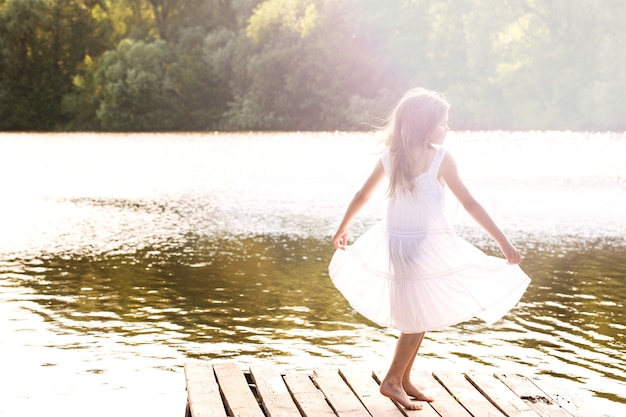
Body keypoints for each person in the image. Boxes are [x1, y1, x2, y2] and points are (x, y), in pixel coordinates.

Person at [328, 87, 531, 410]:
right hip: (421, 245)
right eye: (442, 122)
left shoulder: (392, 156)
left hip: (400, 243)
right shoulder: (440, 157)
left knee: (418, 312)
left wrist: (344, 225)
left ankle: (404, 379)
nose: (446, 128)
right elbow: (469, 202)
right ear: (425, 124)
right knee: (417, 314)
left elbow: (361, 196)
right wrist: (503, 242)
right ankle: (392, 381)